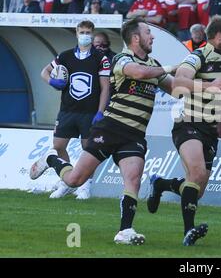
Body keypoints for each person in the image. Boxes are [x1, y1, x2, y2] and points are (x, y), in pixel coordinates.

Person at [30, 18, 176, 244]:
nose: (153, 36)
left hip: (134, 134)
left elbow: (177, 88)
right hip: (110, 128)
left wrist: (210, 87)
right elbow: (138, 73)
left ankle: (125, 231)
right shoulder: (121, 59)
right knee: (75, 179)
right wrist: (169, 67)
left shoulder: (153, 64)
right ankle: (52, 159)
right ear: (135, 38)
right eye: (148, 32)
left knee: (133, 179)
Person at [147, 15, 221, 246]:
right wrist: (209, 86)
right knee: (197, 174)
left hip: (210, 129)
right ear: (219, 37)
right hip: (188, 123)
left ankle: (161, 184)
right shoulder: (197, 56)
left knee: (196, 190)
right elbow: (179, 81)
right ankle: (189, 232)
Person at [36, 20, 111, 200]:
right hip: (67, 111)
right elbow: (44, 72)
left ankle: (85, 185)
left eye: (88, 32)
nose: (85, 35)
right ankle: (67, 181)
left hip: (90, 112)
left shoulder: (101, 58)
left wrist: (100, 112)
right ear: (77, 34)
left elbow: (106, 88)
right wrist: (52, 81)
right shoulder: (65, 56)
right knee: (58, 146)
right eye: (82, 32)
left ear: (92, 35)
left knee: (88, 150)